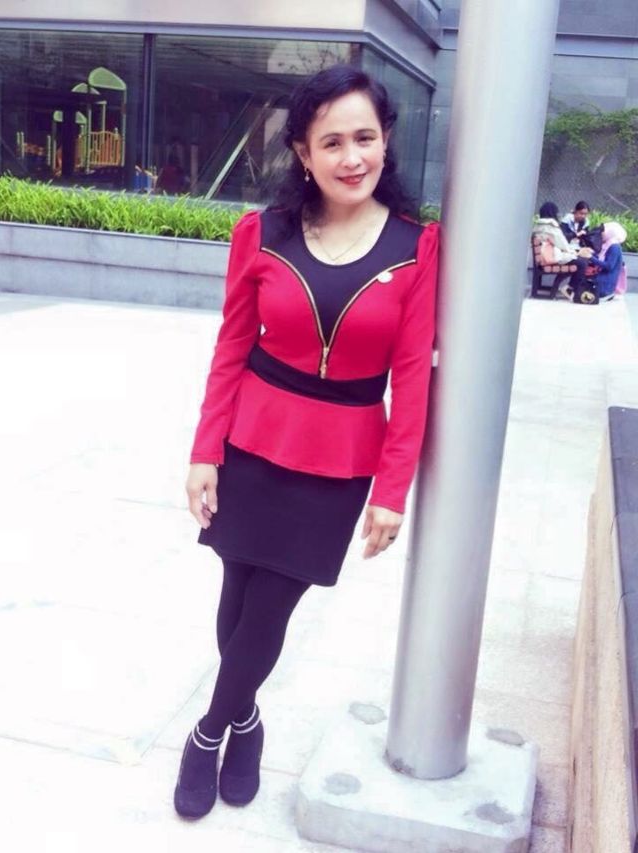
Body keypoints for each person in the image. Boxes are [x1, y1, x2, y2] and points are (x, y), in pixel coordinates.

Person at [173, 65, 439, 820]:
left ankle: (206, 732)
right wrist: (204, 450)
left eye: (365, 137)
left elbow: (412, 378)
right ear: (302, 152)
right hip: (253, 440)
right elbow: (232, 346)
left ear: (386, 140)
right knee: (236, 595)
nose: (352, 157)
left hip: (340, 460)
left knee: (269, 609)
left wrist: (392, 491)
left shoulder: (417, 248)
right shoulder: (262, 234)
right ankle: (247, 722)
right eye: (332, 142)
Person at [533, 201, 593, 300]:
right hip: (552, 257)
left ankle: (570, 288)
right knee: (583, 262)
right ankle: (570, 289)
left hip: (545, 257)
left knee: (580, 260)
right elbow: (562, 244)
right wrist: (576, 252)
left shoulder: (539, 225)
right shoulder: (551, 227)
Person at [586, 221, 627, 302]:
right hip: (602, 280)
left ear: (610, 233)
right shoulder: (608, 245)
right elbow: (601, 259)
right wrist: (592, 253)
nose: (601, 234)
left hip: (605, 284)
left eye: (603, 231)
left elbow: (608, 266)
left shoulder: (614, 247)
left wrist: (591, 257)